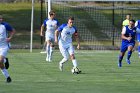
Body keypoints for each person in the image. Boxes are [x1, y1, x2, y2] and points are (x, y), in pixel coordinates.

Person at [0, 14, 15, 82]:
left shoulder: (5, 25)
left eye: (1, 18)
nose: (1, 19)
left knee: (0, 61)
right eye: (0, 18)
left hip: (4, 46)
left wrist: (10, 38)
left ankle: (4, 60)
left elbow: (13, 30)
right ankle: (8, 77)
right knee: (0, 63)